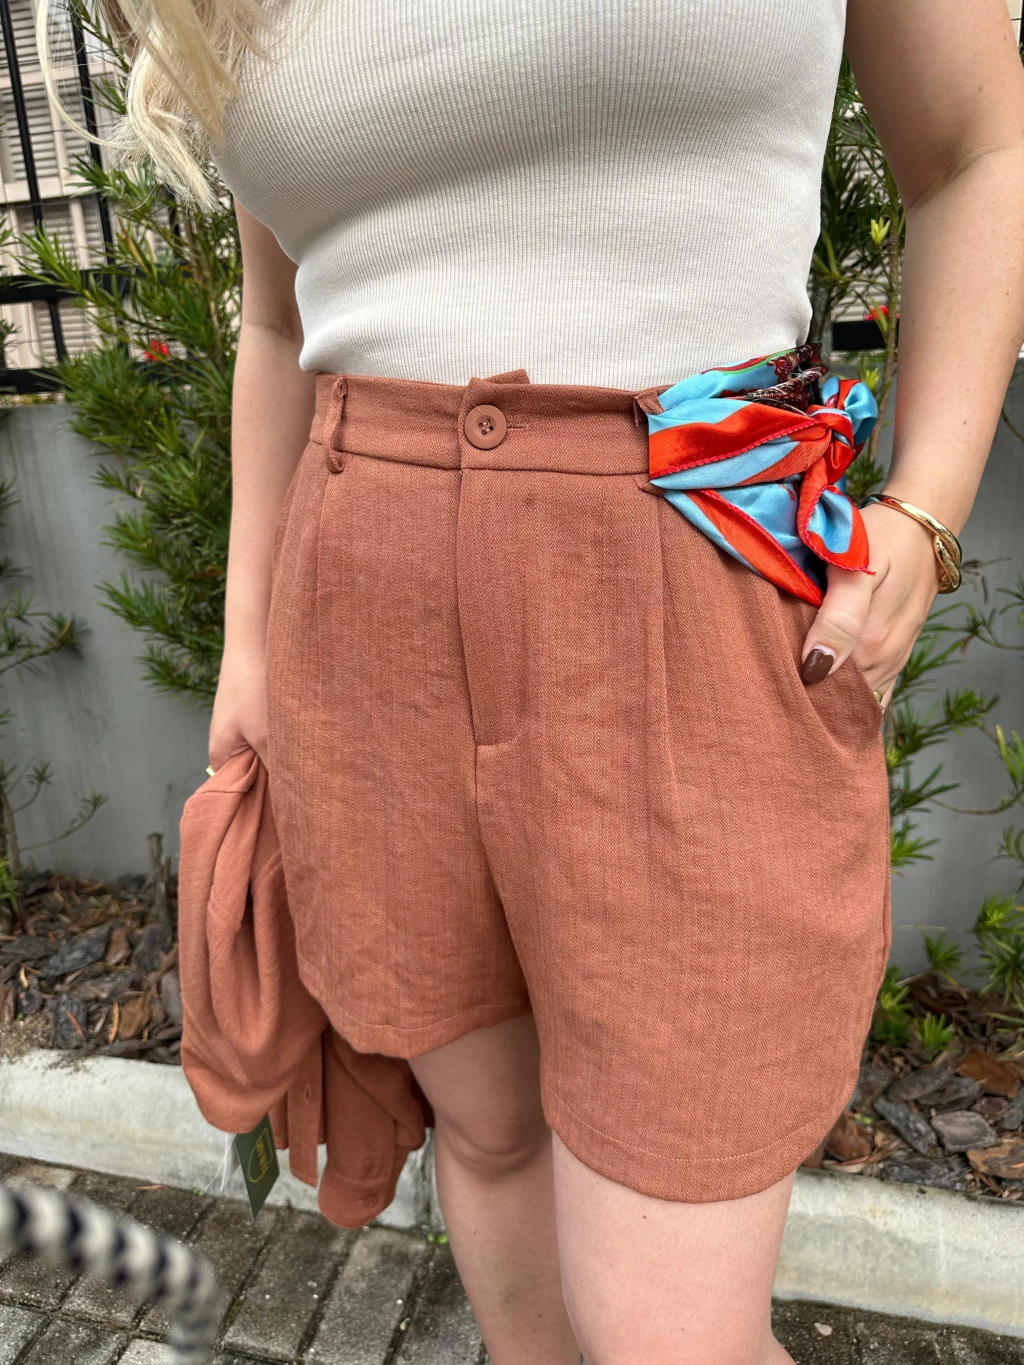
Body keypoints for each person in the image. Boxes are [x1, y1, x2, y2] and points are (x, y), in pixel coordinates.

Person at [47, 1, 1024, 1361]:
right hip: (365, 631)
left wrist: (925, 512)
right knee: (491, 1138)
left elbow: (977, 147)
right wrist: (251, 649)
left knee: (670, 1330)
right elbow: (277, 323)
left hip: (695, 583)